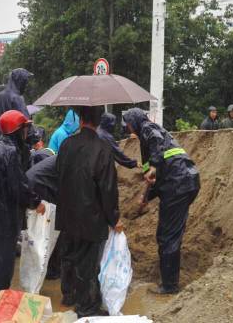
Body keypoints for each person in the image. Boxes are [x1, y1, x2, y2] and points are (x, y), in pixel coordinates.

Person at [122, 108, 200, 295]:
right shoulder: (147, 141)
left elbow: (157, 155)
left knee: (167, 236)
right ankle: (169, 280)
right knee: (168, 234)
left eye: (128, 123)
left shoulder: (149, 129)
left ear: (135, 121)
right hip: (183, 182)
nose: (127, 128)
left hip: (178, 185)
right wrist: (145, 197)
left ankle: (170, 286)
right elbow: (153, 176)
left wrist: (154, 167)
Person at [56, 106, 122, 318]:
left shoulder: (66, 144)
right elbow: (108, 189)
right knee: (88, 263)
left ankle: (68, 295)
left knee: (69, 256)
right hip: (91, 217)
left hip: (66, 214)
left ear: (81, 119)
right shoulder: (102, 148)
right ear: (98, 122)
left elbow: (58, 175)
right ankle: (87, 308)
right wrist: (114, 218)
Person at [0, 110, 44, 296]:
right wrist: (36, 202)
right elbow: (18, 186)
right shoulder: (10, 152)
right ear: (19, 130)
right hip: (1, 219)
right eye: (25, 129)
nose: (27, 133)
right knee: (2, 266)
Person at [0, 68, 33, 144]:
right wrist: (34, 139)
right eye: (25, 81)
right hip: (14, 145)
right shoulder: (17, 99)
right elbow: (26, 123)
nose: (26, 85)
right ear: (21, 81)